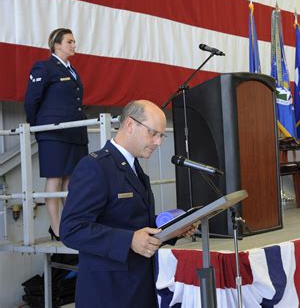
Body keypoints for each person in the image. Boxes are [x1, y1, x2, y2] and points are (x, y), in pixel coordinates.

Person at [60, 100, 195, 307]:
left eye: (162, 135)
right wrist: (129, 240)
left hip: (138, 286)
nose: (158, 142)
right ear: (131, 125)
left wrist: (171, 230)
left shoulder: (135, 168)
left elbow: (133, 223)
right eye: (153, 133)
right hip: (109, 292)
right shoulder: (95, 167)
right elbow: (71, 229)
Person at [24, 28, 88, 241]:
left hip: (74, 131)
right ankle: (56, 227)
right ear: (56, 45)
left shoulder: (72, 70)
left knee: (72, 180)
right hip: (53, 132)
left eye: (74, 41)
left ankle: (70, 225)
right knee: (55, 178)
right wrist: (37, 127)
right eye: (69, 41)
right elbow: (31, 100)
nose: (73, 45)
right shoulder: (44, 67)